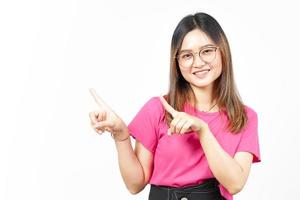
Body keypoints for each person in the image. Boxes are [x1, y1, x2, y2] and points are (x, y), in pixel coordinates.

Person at [89, 12, 261, 200]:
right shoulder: (158, 108)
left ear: (222, 51)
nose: (198, 62)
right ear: (177, 62)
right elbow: (134, 185)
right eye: (187, 55)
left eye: (207, 51)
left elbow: (235, 183)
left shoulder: (244, 117)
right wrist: (121, 136)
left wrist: (203, 130)